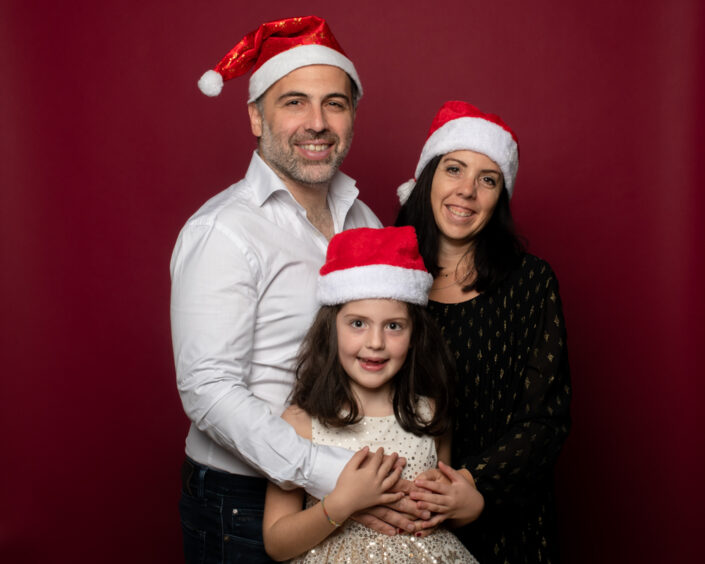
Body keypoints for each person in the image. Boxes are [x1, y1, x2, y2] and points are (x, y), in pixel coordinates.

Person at [170, 16, 389, 563]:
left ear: (353, 116)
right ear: (255, 117)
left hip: (357, 483)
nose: (316, 123)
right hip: (242, 503)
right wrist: (329, 474)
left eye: (334, 103)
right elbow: (207, 388)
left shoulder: (367, 221)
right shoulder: (223, 230)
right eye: (294, 102)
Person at [395, 100, 572, 563]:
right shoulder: (387, 279)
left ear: (500, 196)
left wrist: (474, 485)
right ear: (427, 177)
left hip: (507, 515)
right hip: (401, 515)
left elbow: (546, 418)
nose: (467, 191)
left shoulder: (531, 282)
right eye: (454, 169)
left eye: (487, 179)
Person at [262, 226, 483, 562]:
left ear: (414, 335)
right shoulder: (301, 422)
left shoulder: (431, 415)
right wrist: (342, 503)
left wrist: (470, 506)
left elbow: (441, 510)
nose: (376, 343)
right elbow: (277, 543)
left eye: (393, 326)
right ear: (331, 328)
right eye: (358, 324)